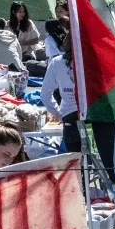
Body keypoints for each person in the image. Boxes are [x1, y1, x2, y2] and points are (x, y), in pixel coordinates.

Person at [40, 22, 82, 153]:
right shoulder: (93, 62)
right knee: (98, 165)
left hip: (70, 117)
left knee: (75, 164)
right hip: (93, 117)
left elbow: (45, 95)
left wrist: (60, 114)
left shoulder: (57, 63)